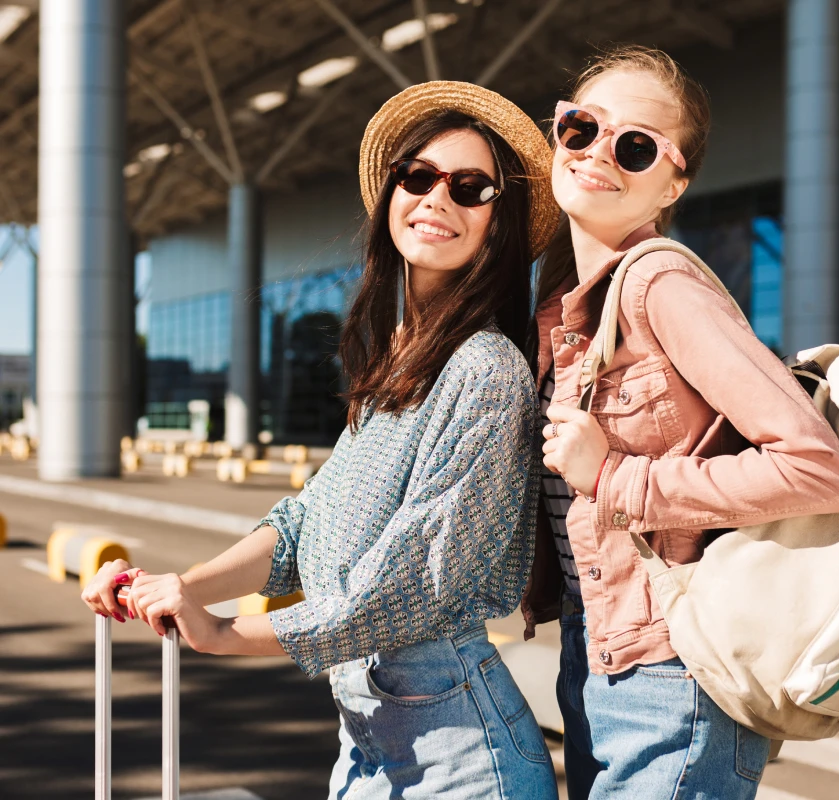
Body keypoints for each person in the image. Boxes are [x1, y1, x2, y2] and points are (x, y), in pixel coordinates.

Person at [82, 81, 561, 800]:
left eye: (470, 188)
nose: (437, 198)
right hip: (366, 744)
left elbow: (401, 590)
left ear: (500, 224)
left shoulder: (487, 372)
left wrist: (223, 635)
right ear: (393, 192)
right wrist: (183, 588)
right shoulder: (399, 360)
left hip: (461, 757)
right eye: (419, 176)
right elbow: (305, 523)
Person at [521, 46, 839, 798]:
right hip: (600, 656)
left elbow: (814, 466)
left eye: (635, 146)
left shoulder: (660, 284)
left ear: (674, 181)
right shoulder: (568, 304)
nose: (599, 152)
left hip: (671, 677)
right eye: (583, 127)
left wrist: (612, 474)